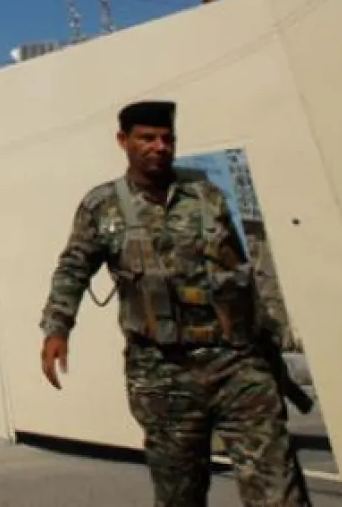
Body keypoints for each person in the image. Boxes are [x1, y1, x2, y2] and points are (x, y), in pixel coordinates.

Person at [38, 100, 311, 506]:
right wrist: (57, 328)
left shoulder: (206, 197)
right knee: (179, 493)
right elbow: (73, 268)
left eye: (167, 139)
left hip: (235, 362)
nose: (159, 147)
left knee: (278, 488)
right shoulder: (103, 207)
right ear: (123, 141)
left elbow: (243, 275)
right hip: (162, 371)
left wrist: (266, 342)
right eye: (147, 138)